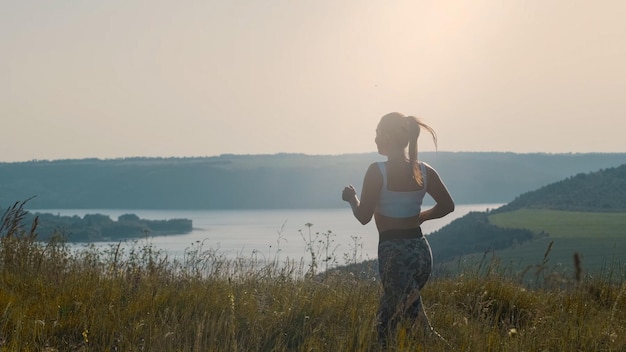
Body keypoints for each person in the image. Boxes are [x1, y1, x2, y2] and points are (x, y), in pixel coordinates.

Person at [341, 112, 454, 347]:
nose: (374, 139)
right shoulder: (425, 170)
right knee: (386, 322)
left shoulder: (377, 171)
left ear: (387, 136)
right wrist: (420, 218)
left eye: (377, 133)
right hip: (421, 253)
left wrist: (351, 198)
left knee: (420, 330)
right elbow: (447, 206)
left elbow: (363, 217)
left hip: (395, 255)